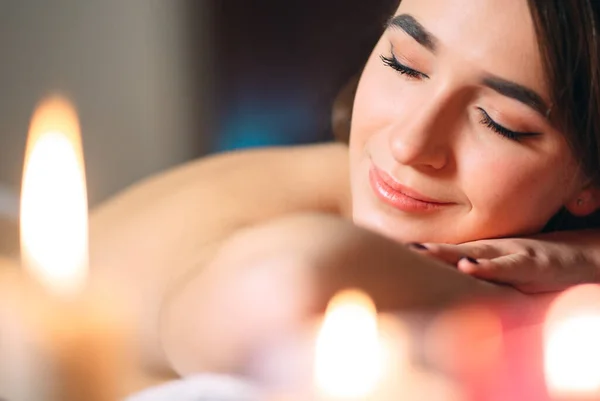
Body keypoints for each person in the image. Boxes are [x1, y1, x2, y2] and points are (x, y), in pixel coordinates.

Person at [89, 0, 600, 378]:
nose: (408, 142)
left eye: (498, 122)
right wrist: (548, 305)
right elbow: (283, 288)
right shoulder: (304, 193)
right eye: (404, 64)